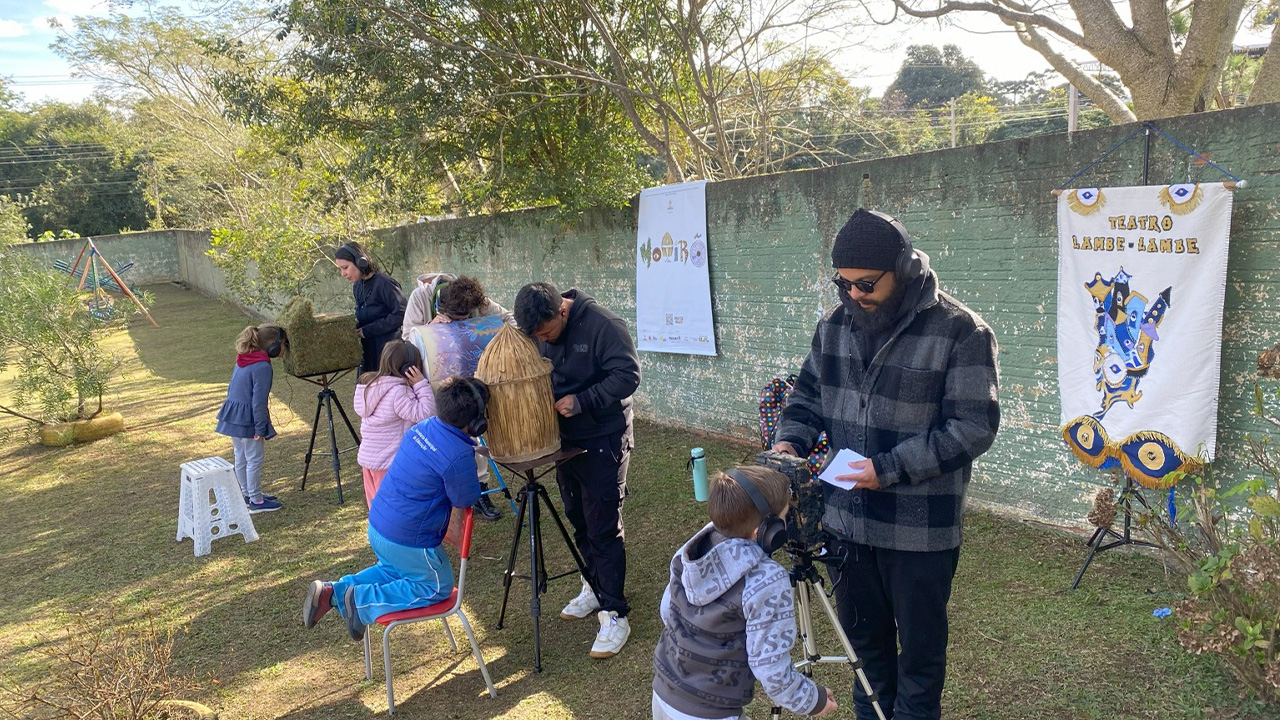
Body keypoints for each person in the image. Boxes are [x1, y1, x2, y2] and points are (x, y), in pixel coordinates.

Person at [771, 209, 1000, 720]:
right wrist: (790, 441)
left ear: (903, 268)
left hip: (920, 532)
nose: (853, 295)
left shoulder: (961, 331)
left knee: (919, 659)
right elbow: (805, 398)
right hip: (847, 524)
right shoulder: (833, 326)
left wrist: (888, 468)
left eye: (866, 284)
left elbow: (973, 427)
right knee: (866, 653)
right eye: (843, 284)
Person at [301, 377, 490, 641]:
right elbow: (466, 497)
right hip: (409, 541)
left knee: (394, 571)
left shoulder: (421, 428)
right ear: (476, 421)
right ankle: (362, 602)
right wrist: (472, 457)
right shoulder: (458, 454)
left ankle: (333, 592)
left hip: (379, 526)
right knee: (437, 585)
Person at [514, 282, 641, 659]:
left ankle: (615, 610)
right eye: (536, 337)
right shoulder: (538, 327)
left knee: (602, 522)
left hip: (603, 434)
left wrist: (583, 400)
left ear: (562, 312)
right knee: (577, 517)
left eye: (546, 333)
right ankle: (593, 584)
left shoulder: (604, 325)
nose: (543, 340)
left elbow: (627, 376)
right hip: (563, 439)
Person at [652, 465, 838, 720]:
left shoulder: (690, 550)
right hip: (713, 713)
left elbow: (667, 611)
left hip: (664, 695)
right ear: (765, 532)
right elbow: (771, 671)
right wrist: (813, 701)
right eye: (784, 519)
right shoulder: (766, 580)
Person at [419, 275, 516, 522]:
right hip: (446, 382)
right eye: (453, 319)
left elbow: (511, 319)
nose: (456, 323)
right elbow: (409, 335)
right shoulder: (424, 298)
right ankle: (450, 492)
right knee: (454, 436)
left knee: (476, 432)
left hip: (477, 376)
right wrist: (432, 327)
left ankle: (481, 490)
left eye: (461, 319)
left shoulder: (482, 304)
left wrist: (497, 335)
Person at [353, 340, 436, 508]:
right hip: (389, 464)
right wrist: (420, 384)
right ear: (409, 368)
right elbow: (426, 413)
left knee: (377, 508)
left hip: (369, 463)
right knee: (395, 508)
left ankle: (378, 533)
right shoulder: (399, 392)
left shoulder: (370, 386)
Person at [215, 324, 285, 513]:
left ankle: (247, 494)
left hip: (234, 415)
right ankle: (256, 501)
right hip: (249, 418)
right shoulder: (262, 366)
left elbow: (232, 389)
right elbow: (258, 401)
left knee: (241, 456)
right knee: (254, 458)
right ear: (273, 346)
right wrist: (260, 428)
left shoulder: (244, 359)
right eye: (283, 344)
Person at [334, 241, 407, 373]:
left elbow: (401, 314)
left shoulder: (385, 283)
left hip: (388, 353)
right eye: (340, 269)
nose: (343, 274)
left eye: (345, 268)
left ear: (360, 262)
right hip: (367, 353)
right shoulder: (357, 286)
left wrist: (368, 330)